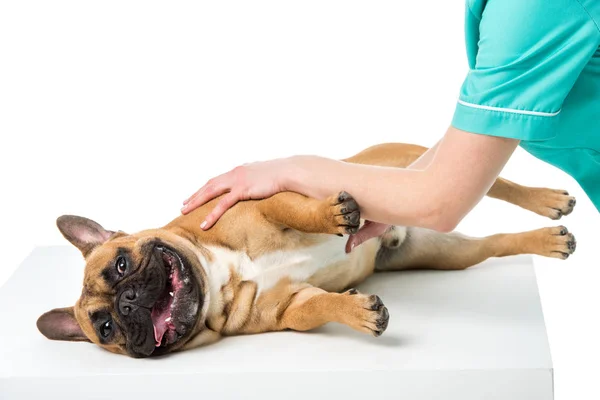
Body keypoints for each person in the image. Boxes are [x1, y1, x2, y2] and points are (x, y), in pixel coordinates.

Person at [181, 0, 600, 251]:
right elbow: (490, 123)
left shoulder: (533, 12)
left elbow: (441, 203)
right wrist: (395, 193)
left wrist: (286, 170)